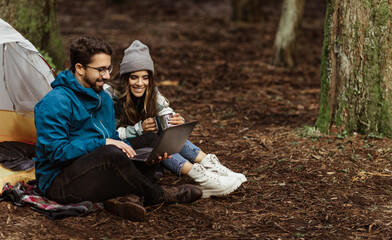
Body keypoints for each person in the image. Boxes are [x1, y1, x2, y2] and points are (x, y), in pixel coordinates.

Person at [34, 36, 202, 222]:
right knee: (111, 152)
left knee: (151, 140)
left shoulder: (103, 98)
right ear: (79, 68)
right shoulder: (55, 102)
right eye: (100, 70)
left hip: (97, 168)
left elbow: (113, 138)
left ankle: (131, 197)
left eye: (108, 68)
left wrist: (149, 155)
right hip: (60, 182)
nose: (107, 76)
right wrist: (104, 143)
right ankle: (157, 194)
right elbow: (56, 153)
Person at [105, 40, 247, 198]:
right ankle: (202, 177)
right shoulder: (110, 95)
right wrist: (138, 129)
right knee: (155, 137)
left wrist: (176, 121)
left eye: (145, 78)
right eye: (134, 78)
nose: (140, 83)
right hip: (118, 150)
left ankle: (211, 165)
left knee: (164, 131)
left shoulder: (150, 92)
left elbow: (166, 110)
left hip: (142, 147)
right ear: (125, 77)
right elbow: (106, 134)